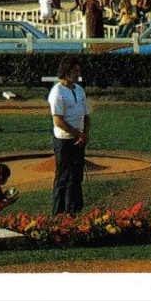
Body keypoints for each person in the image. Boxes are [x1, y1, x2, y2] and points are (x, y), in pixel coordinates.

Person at [48, 57, 91, 216]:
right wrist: (78, 134)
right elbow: (58, 120)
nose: (78, 74)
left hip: (79, 139)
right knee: (63, 177)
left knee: (76, 177)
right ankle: (58, 214)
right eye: (74, 71)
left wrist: (84, 134)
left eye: (78, 71)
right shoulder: (57, 92)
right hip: (64, 140)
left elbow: (86, 115)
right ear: (66, 72)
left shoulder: (79, 90)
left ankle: (73, 211)